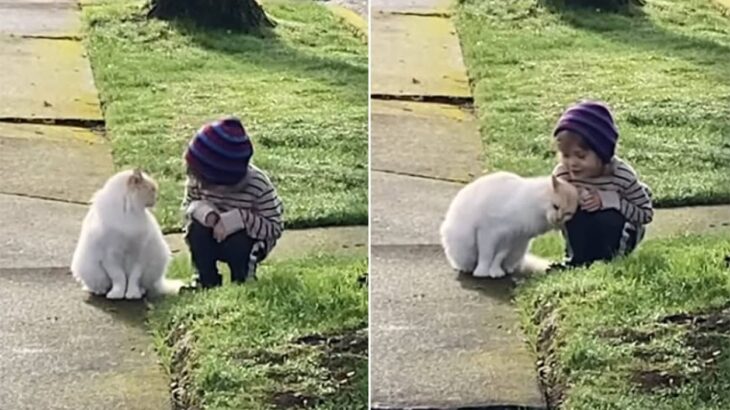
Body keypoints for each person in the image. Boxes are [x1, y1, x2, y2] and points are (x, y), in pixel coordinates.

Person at [549, 100, 653, 270]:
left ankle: (612, 261)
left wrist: (611, 200)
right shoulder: (562, 175)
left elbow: (646, 214)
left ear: (602, 153)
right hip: (584, 230)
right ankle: (576, 261)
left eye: (580, 156)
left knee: (608, 217)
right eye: (566, 155)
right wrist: (570, 199)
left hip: (617, 230)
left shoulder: (622, 176)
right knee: (574, 214)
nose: (572, 163)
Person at [181, 116, 283, 288]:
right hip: (210, 235)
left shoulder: (257, 186)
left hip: (246, 240)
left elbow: (274, 226)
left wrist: (239, 219)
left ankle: (243, 280)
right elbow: (187, 208)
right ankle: (205, 279)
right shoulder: (197, 180)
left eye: (209, 183)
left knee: (239, 243)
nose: (200, 185)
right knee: (195, 230)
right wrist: (205, 213)